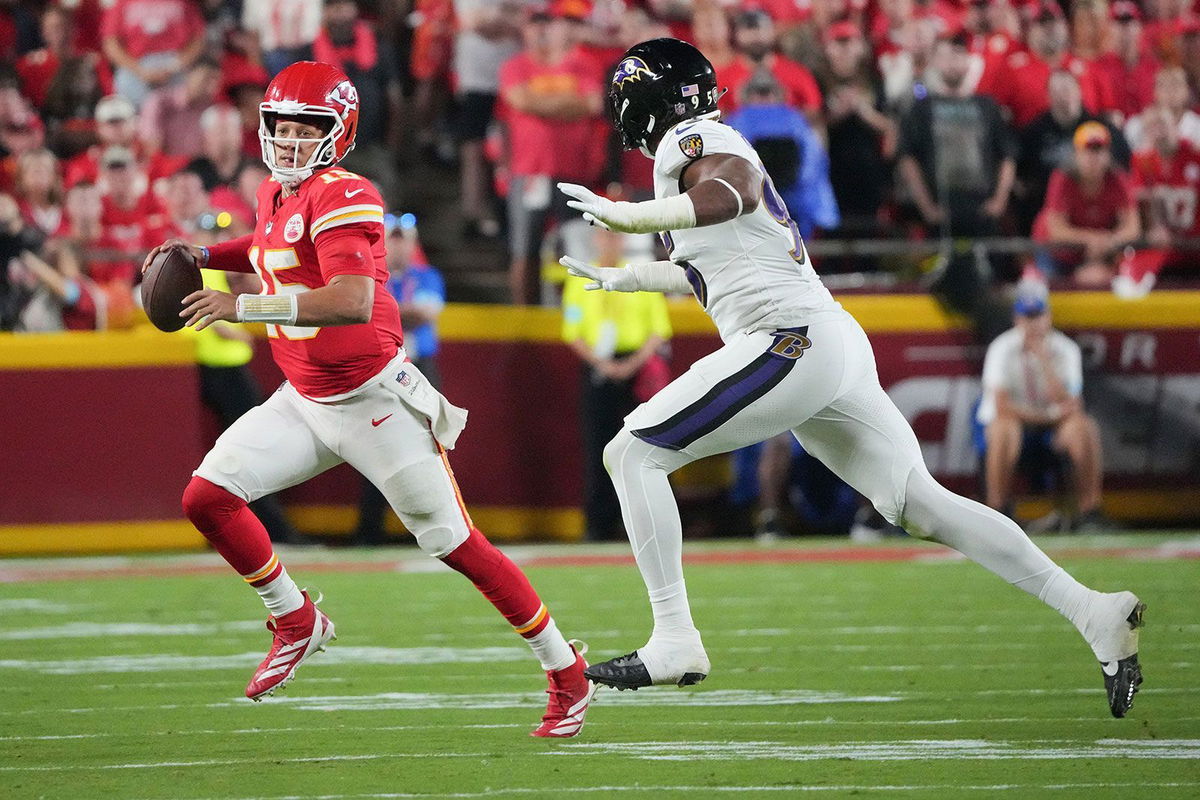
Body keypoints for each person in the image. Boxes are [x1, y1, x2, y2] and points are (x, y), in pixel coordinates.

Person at [557, 38, 1144, 719]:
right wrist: (634, 275)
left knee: (631, 454)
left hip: (789, 340)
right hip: (821, 339)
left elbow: (734, 194)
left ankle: (675, 638)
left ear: (652, 101)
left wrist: (632, 216)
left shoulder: (689, 140)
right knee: (922, 506)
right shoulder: (701, 142)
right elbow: (721, 264)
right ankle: (1093, 610)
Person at [141, 62, 593, 738]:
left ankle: (566, 673)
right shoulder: (274, 193)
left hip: (375, 403)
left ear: (339, 131)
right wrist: (203, 253)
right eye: (282, 127)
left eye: (307, 128)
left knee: (458, 546)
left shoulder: (347, 192)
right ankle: (296, 619)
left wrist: (244, 305)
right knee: (206, 497)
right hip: (306, 399)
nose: (291, 141)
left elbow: (352, 301)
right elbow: (266, 247)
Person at [562, 220, 671, 542]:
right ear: (596, 239)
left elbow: (659, 329)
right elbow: (572, 331)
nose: (611, 242)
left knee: (647, 443)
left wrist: (631, 365)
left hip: (636, 367)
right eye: (605, 235)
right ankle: (599, 524)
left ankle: (647, 521)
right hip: (598, 368)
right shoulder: (580, 279)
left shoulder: (638, 276)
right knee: (600, 447)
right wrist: (604, 365)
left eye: (616, 235)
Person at [977, 281, 1109, 532]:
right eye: (1027, 317)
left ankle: (1090, 511)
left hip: (1051, 430)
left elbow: (1072, 404)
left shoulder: (1065, 349)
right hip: (1019, 426)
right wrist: (1049, 416)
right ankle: (998, 512)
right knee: (1004, 428)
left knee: (1084, 428)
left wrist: (1043, 360)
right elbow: (1002, 407)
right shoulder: (1001, 348)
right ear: (1017, 318)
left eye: (1038, 316)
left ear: (1048, 316)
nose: (1033, 324)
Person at [354, 213, 447, 545]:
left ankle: (436, 525)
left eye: (402, 239)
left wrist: (385, 310)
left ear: (412, 243)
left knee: (428, 446)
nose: (397, 246)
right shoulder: (373, 278)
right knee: (376, 447)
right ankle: (370, 529)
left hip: (420, 368)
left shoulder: (427, 276)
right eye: (391, 239)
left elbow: (426, 314)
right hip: (381, 369)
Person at [1033, 122, 1140, 286]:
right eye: (1088, 152)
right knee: (1047, 284)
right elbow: (1056, 230)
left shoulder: (1117, 179)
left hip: (1102, 253)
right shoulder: (1062, 179)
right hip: (1059, 252)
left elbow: (1132, 228)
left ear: (1108, 155)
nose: (1094, 158)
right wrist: (1092, 239)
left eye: (1099, 152)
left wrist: (1109, 241)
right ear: (1076, 154)